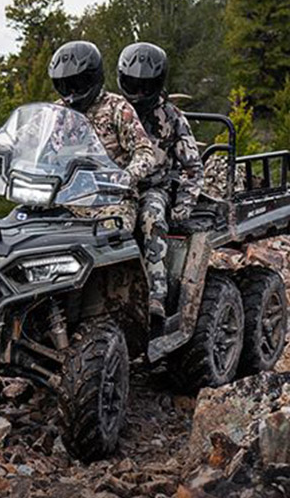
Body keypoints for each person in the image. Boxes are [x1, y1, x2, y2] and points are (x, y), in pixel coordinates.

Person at [117, 42, 204, 320]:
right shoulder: (113, 111)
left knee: (152, 218)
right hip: (109, 187)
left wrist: (183, 207)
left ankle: (156, 294)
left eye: (146, 86)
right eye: (134, 84)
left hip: (152, 188)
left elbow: (192, 167)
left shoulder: (171, 117)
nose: (139, 92)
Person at [48, 40, 156, 232]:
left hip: (110, 199)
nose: (72, 92)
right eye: (66, 85)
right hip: (64, 197)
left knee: (113, 232)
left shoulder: (118, 108)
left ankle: (140, 263)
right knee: (20, 225)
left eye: (77, 84)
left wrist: (127, 176)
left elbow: (145, 152)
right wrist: (1, 153)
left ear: (92, 78)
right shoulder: (56, 112)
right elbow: (29, 141)